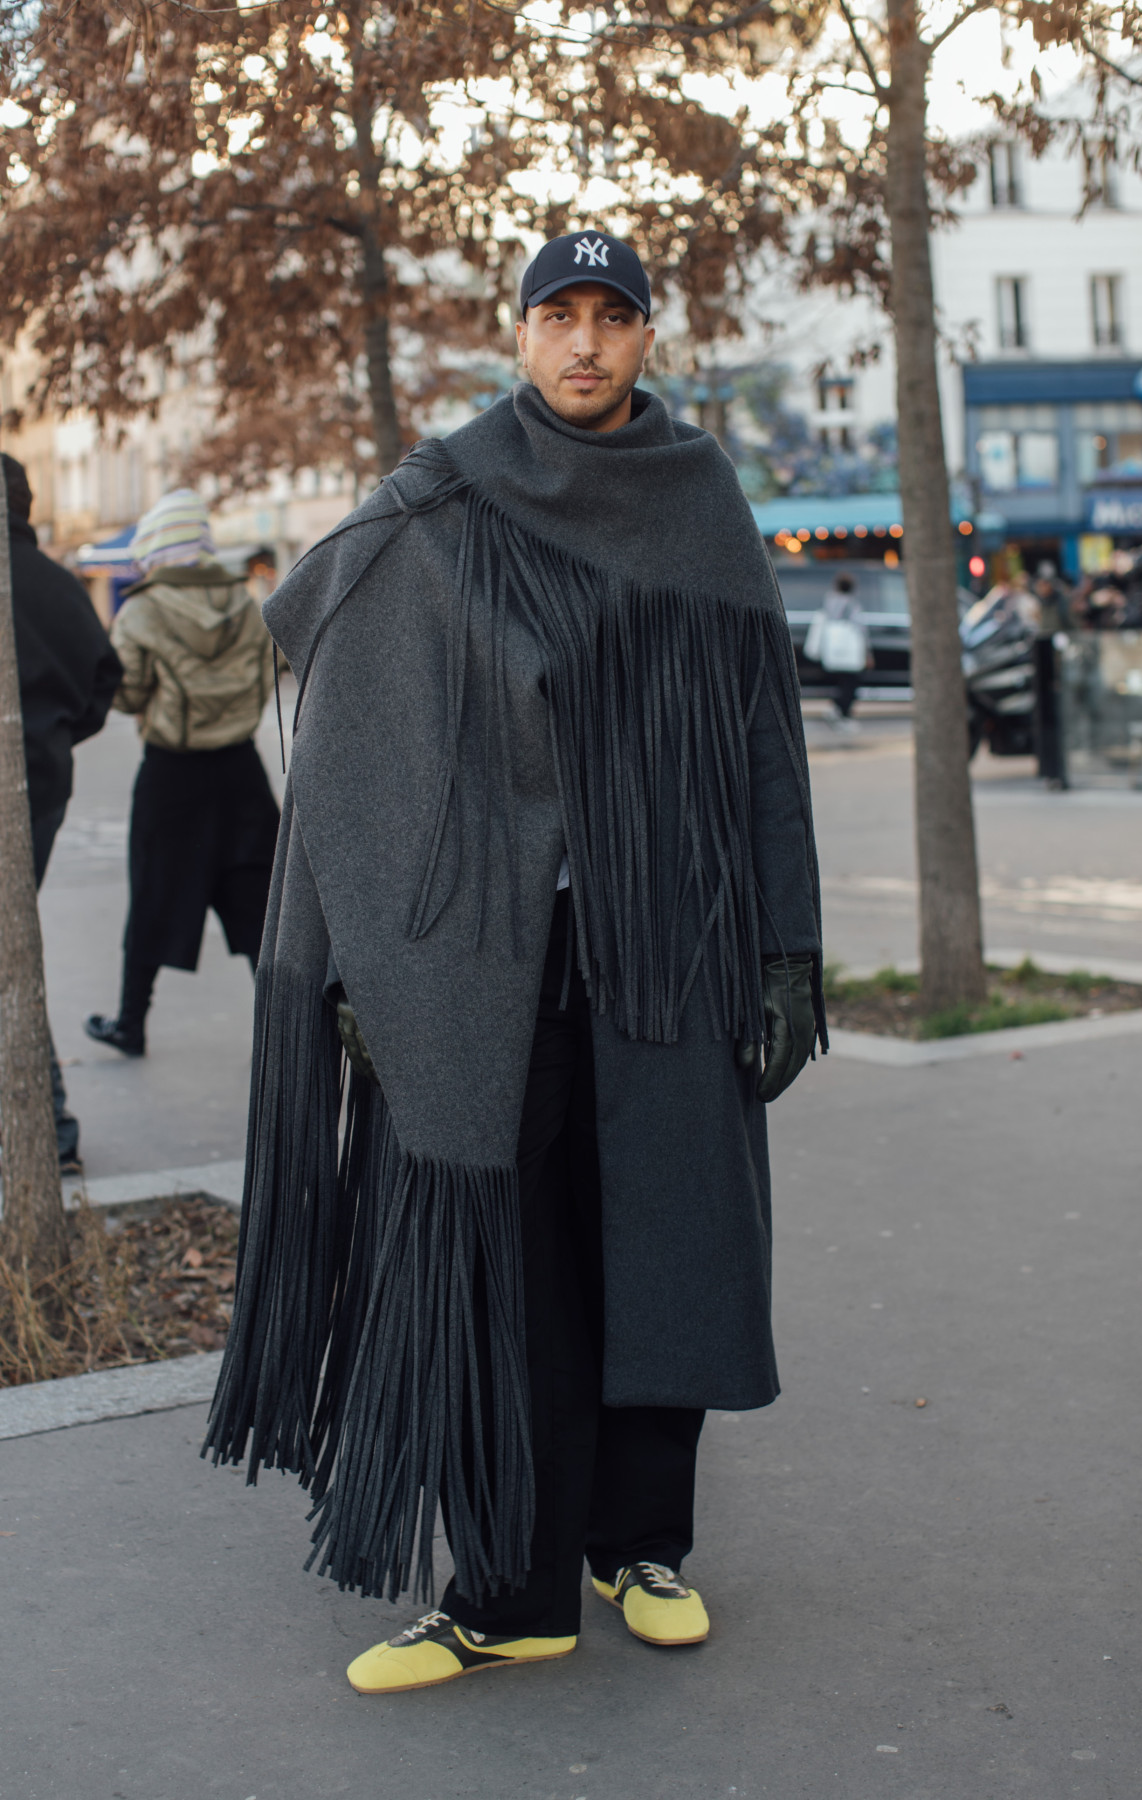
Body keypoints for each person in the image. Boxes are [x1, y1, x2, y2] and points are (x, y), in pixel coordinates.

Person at [205, 232, 825, 1695]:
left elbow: (761, 737)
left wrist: (791, 946)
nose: (588, 344)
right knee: (512, 1268)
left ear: (646, 339)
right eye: (563, 317)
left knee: (667, 1245)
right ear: (524, 331)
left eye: (616, 319)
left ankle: (641, 1547)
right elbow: (327, 632)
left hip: (674, 938)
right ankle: (511, 1589)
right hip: (494, 958)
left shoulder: (698, 496)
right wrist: (361, 961)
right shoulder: (449, 488)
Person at [85, 490, 279, 1056]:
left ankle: (130, 1024)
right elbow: (268, 671)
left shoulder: (142, 610)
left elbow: (126, 693)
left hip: (172, 775)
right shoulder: (245, 602)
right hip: (242, 770)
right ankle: (279, 1033)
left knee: (154, 893)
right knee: (257, 903)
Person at [3, 452, 124, 1174]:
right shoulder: (56, 583)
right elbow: (102, 678)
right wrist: (55, 736)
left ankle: (50, 1126)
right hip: (43, 786)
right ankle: (49, 1127)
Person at [810, 570, 871, 722]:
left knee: (840, 680)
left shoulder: (828, 602)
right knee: (852, 681)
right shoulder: (852, 604)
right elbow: (861, 629)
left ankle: (839, 708)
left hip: (833, 650)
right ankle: (841, 710)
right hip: (850, 651)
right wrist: (867, 653)